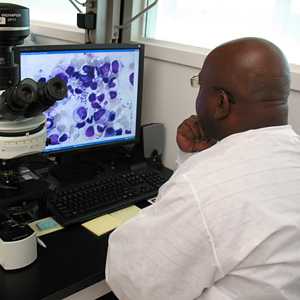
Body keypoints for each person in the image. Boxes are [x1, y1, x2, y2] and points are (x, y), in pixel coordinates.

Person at [105, 37, 300, 300]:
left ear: (220, 103)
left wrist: (198, 173)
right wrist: (194, 159)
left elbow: (131, 278)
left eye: (199, 85)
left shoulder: (206, 191)